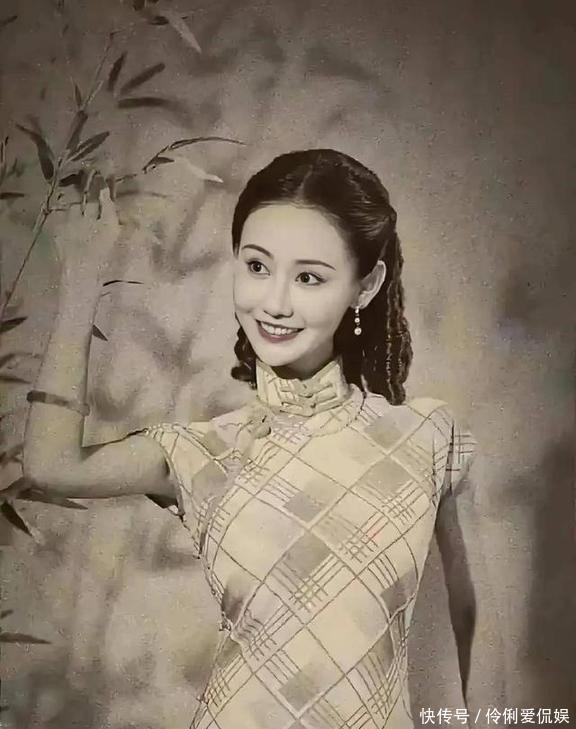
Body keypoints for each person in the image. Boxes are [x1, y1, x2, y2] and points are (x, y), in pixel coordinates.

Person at [23, 149, 483, 729]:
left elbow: (475, 619)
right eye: (258, 266)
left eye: (309, 277)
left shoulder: (428, 438)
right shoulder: (203, 451)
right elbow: (51, 465)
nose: (274, 303)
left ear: (365, 287)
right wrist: (79, 285)